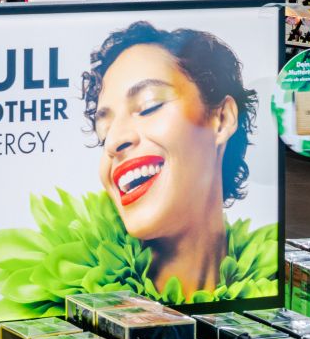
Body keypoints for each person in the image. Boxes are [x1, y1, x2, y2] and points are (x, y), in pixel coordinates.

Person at [83, 21, 257, 298]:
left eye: (149, 106)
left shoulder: (271, 278)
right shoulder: (63, 294)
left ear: (222, 119)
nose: (113, 141)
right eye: (104, 130)